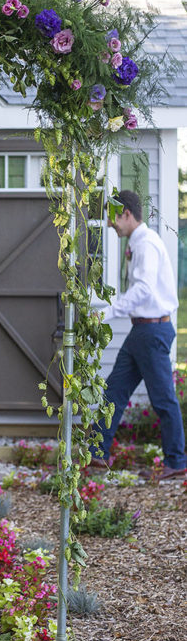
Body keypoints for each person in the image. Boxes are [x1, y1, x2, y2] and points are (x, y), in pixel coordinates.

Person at [90, 189, 185, 481]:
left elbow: (143, 289)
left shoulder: (145, 244)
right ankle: (96, 455)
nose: (110, 224)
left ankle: (177, 462)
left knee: (163, 400)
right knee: (114, 391)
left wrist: (105, 312)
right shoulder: (139, 241)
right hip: (142, 330)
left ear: (127, 214)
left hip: (152, 330)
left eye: (113, 218)